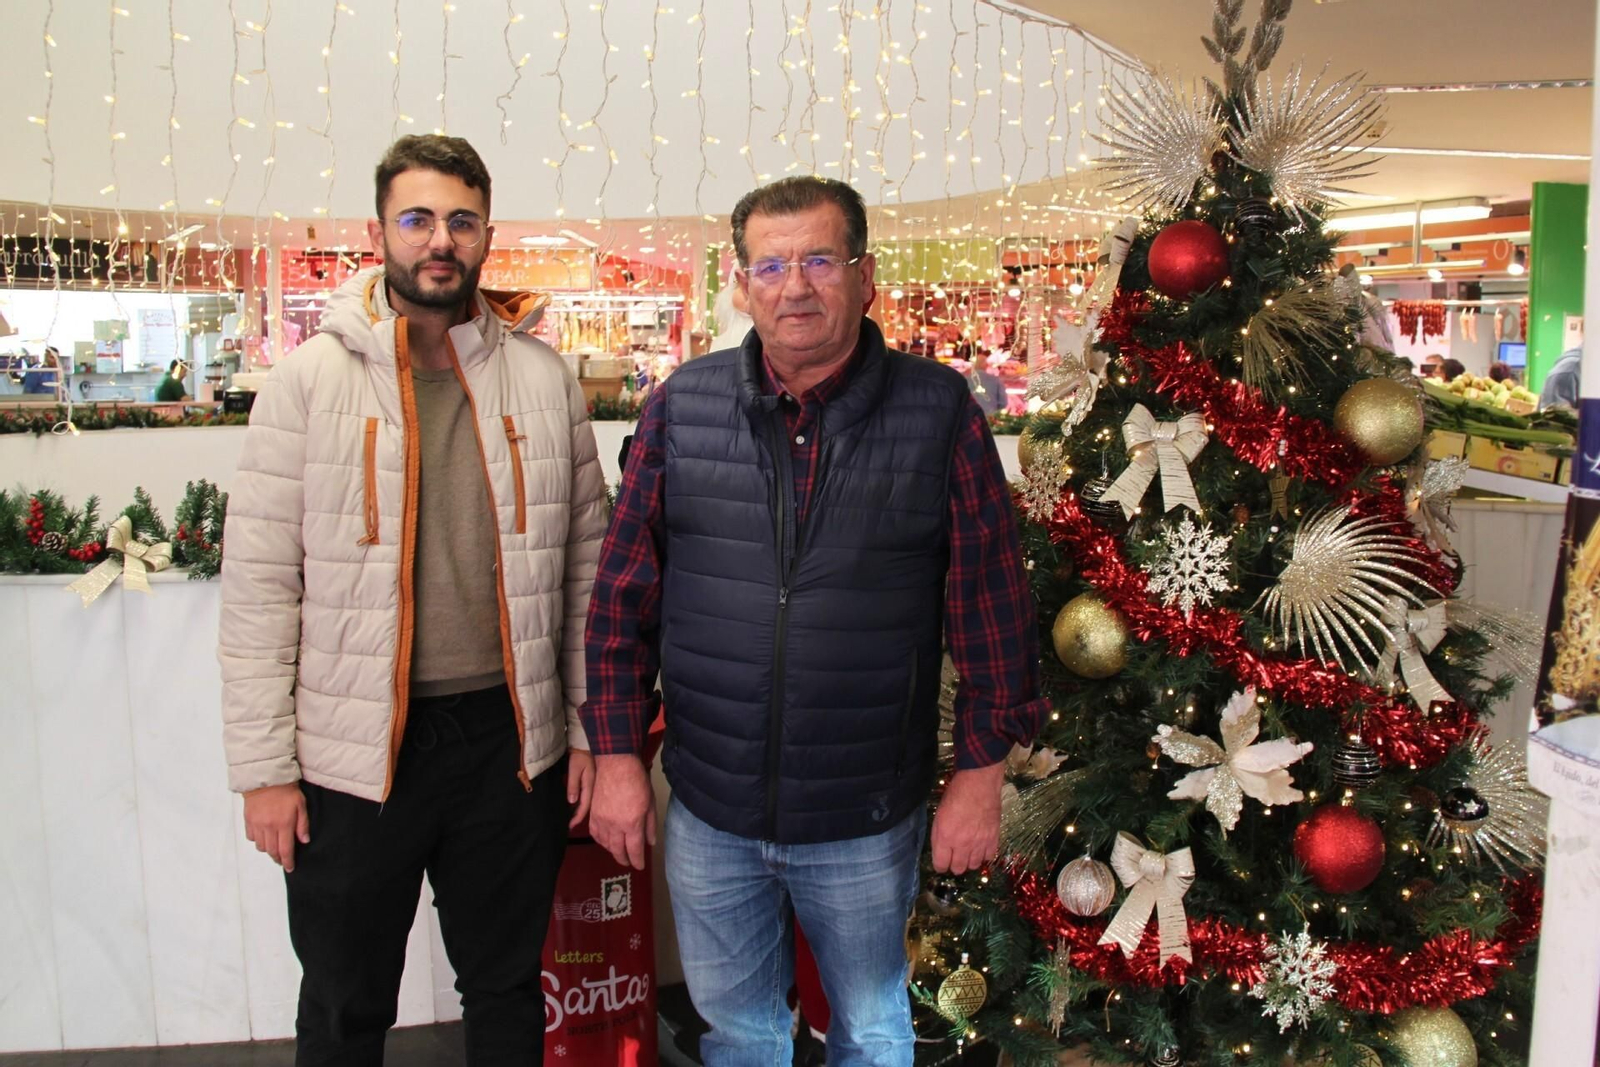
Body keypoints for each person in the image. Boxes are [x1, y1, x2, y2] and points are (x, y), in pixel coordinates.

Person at [582, 176, 1048, 1066]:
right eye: (772, 263)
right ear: (742, 282)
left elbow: (992, 606)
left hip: (865, 814)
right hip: (711, 808)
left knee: (872, 1032)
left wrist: (981, 775)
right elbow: (620, 603)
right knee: (741, 1032)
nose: (795, 285)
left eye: (820, 260)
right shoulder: (682, 406)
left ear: (865, 277)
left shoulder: (937, 412)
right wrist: (615, 758)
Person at [218, 134, 607, 1067]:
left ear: (485, 235)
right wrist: (266, 769)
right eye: (419, 218)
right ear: (379, 231)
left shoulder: (544, 381)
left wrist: (593, 730)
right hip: (353, 757)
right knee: (346, 1004)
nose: (442, 239)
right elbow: (262, 587)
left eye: (461, 220)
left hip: (509, 746)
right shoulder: (309, 383)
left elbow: (587, 575)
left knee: (507, 990)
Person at [967, 348, 1005, 416]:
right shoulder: (995, 380)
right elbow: (1003, 403)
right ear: (986, 365)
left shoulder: (965, 380)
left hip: (970, 418)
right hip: (990, 418)